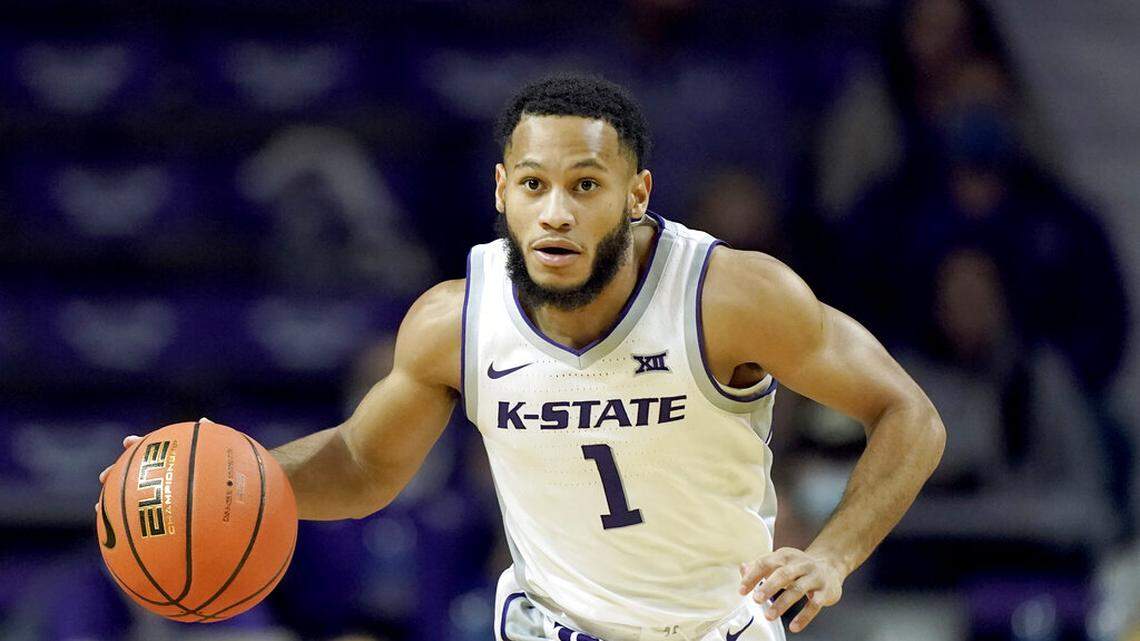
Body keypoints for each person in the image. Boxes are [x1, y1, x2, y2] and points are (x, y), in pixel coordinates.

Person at [99, 76, 946, 641]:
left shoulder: (731, 295)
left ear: (637, 194)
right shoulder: (454, 321)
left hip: (711, 628)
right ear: (501, 190)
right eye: (535, 185)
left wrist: (832, 553)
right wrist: (210, 479)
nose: (557, 213)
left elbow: (910, 414)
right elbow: (362, 463)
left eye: (586, 185)